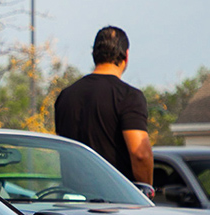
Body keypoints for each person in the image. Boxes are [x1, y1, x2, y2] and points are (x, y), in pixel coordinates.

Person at [54, 26, 153, 185]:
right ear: (126, 55)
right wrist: (145, 192)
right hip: (115, 201)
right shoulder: (129, 97)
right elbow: (140, 154)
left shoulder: (65, 96)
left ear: (94, 54)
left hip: (71, 200)